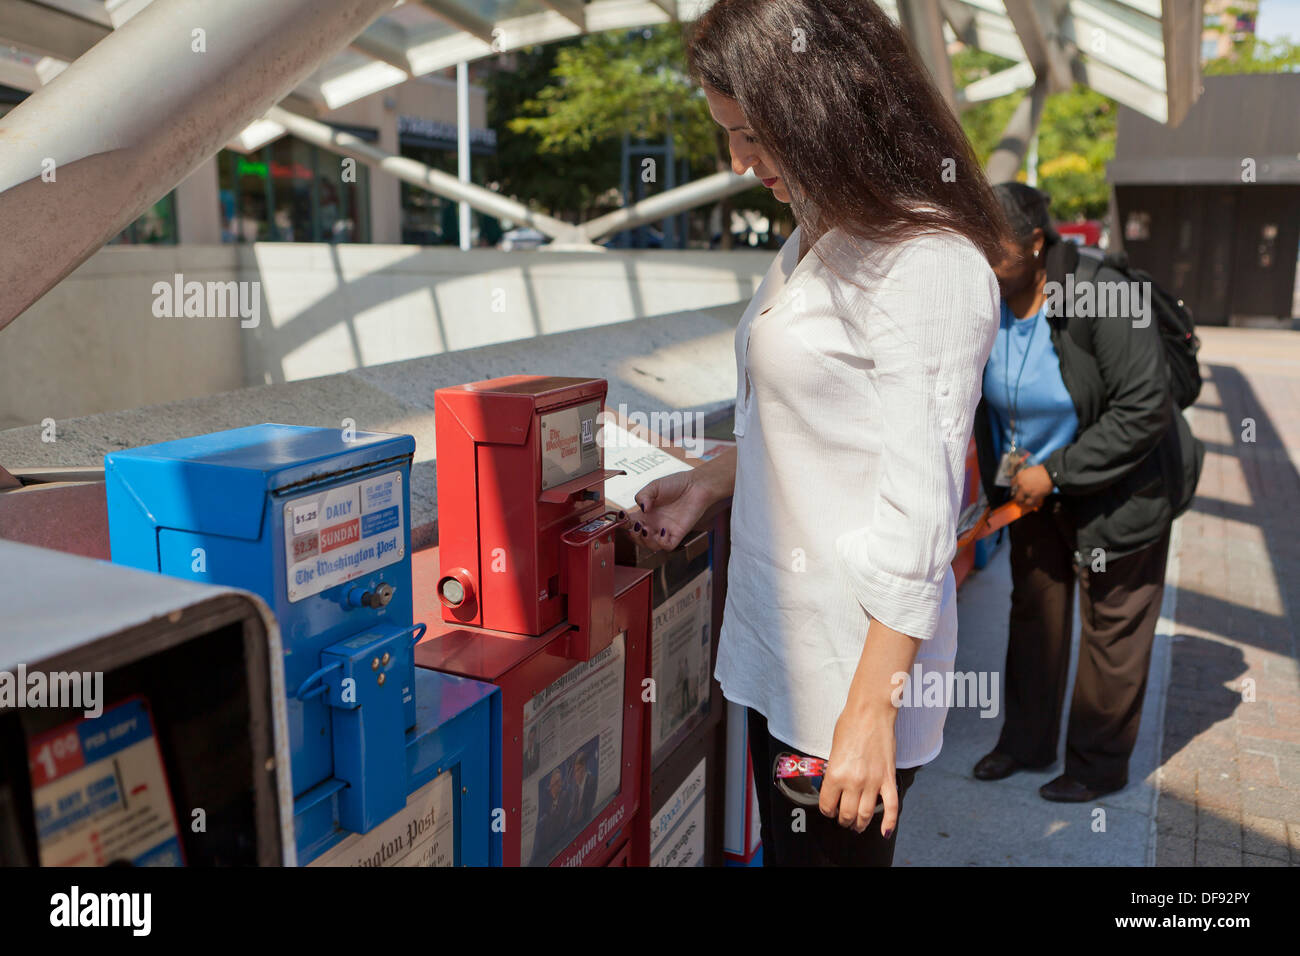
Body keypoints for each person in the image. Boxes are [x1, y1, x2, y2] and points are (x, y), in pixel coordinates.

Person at [630, 0, 1007, 866]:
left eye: (755, 132)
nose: (739, 160)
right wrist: (714, 479)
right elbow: (813, 420)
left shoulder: (929, 266)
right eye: (728, 132)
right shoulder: (815, 234)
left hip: (847, 675)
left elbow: (920, 516)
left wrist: (870, 712)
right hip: (778, 645)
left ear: (827, 105)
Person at [970, 183, 1204, 801]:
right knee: (1034, 615)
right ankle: (1024, 744)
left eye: (991, 248)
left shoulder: (1104, 294)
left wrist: (1058, 471)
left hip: (1126, 487)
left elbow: (1144, 406)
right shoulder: (983, 302)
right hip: (1032, 492)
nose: (979, 260)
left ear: (1036, 242)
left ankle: (1097, 766)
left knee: (1112, 629)